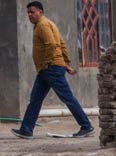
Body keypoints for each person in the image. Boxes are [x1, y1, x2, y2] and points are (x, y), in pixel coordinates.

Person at [10, 1, 94, 139]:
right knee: (35, 99)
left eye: (32, 12)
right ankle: (26, 129)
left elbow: (52, 45)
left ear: (40, 12)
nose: (30, 15)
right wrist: (66, 63)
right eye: (28, 13)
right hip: (49, 68)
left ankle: (86, 126)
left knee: (67, 98)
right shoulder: (47, 24)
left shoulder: (43, 25)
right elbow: (61, 43)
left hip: (50, 69)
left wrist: (46, 63)